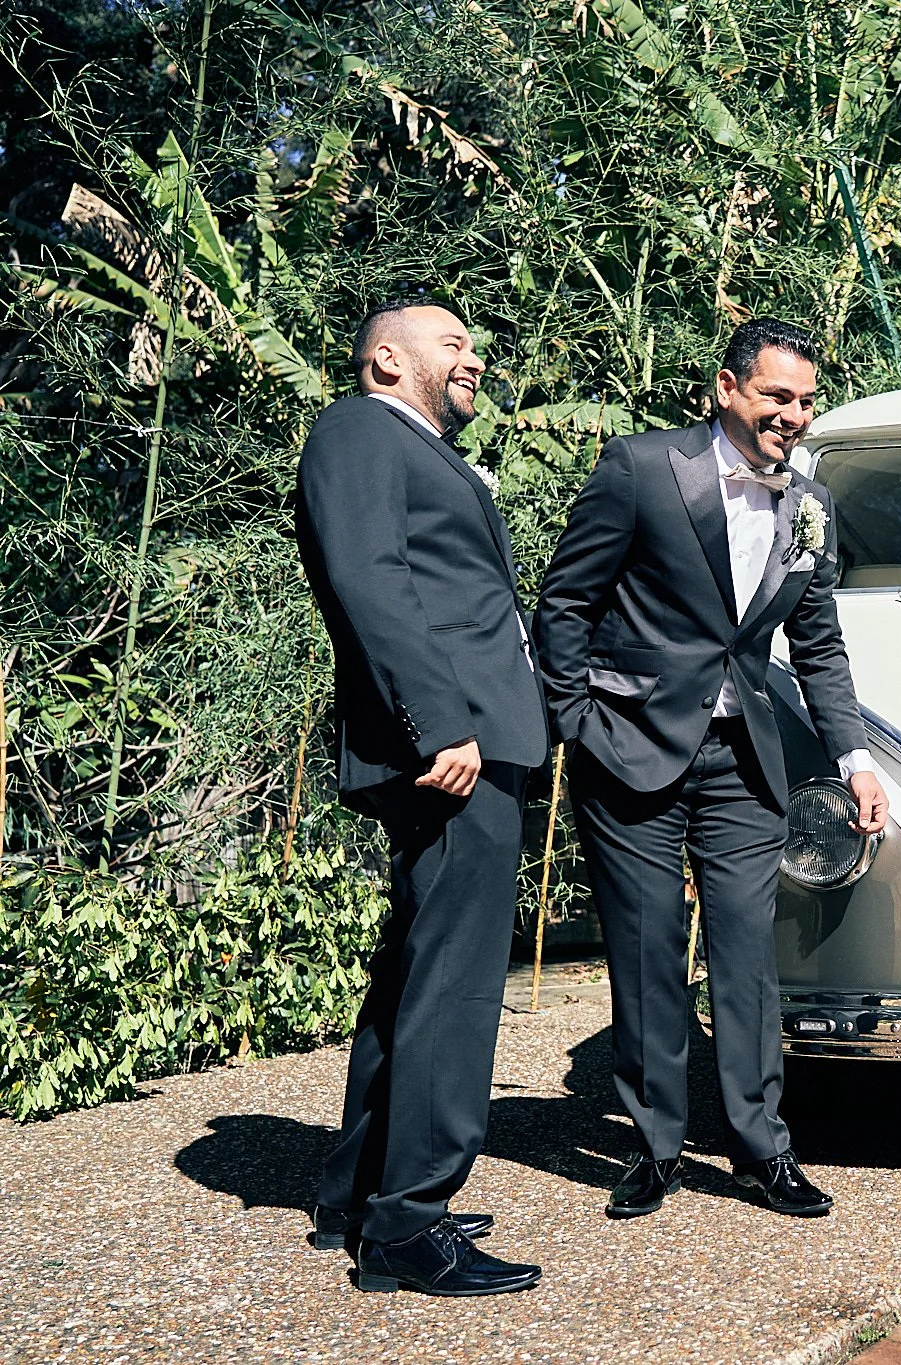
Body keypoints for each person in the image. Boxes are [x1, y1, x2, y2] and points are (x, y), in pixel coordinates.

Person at [533, 317, 887, 1221]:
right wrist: (573, 720)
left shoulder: (812, 504)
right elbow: (566, 599)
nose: (793, 415)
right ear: (725, 389)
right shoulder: (642, 469)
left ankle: (762, 1148)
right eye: (777, 395)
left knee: (744, 956)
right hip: (629, 749)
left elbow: (818, 643)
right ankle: (652, 1147)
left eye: (807, 400)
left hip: (743, 760)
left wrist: (853, 757)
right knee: (647, 951)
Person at [296, 298, 548, 1295]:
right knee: (452, 982)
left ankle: (358, 1194)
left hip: (474, 739)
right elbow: (370, 580)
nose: (472, 357)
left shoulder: (416, 448)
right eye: (452, 343)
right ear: (383, 360)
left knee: (415, 973)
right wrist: (437, 721)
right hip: (451, 748)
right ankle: (408, 1228)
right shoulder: (357, 430)